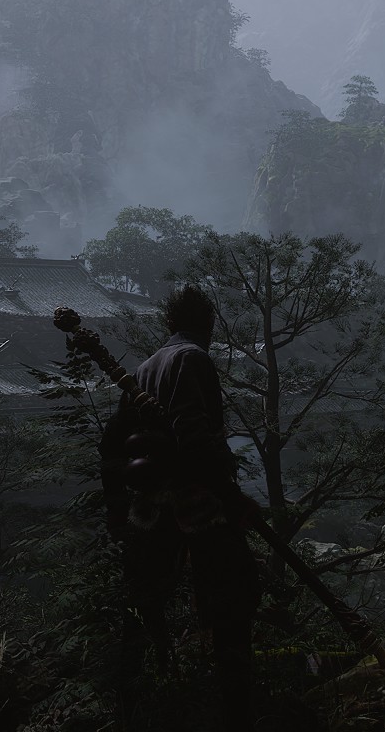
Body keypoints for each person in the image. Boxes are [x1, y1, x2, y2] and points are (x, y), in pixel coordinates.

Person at [100, 284, 258, 731]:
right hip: (197, 502)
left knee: (145, 603)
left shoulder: (145, 367)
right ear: (209, 324)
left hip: (152, 507)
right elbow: (192, 432)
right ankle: (236, 713)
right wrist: (231, 496)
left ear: (170, 322)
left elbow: (112, 442)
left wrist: (117, 508)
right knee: (232, 601)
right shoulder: (193, 358)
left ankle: (136, 707)